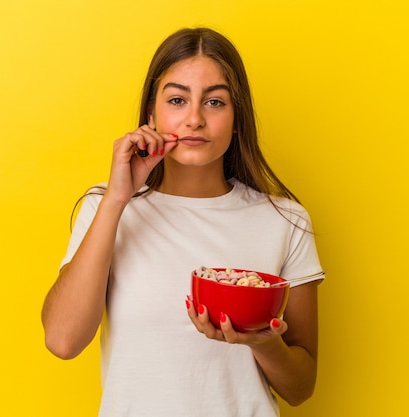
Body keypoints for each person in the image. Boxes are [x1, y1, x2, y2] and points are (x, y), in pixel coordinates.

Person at [41, 27, 325, 416]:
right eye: (177, 99)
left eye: (214, 102)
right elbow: (62, 340)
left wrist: (261, 341)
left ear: (238, 118)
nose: (194, 119)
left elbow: (301, 387)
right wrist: (117, 200)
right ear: (151, 115)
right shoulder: (106, 207)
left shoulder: (285, 221)